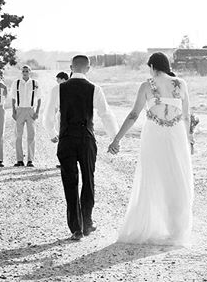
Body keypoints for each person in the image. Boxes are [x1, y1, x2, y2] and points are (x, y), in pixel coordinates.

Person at [108, 52, 194, 246]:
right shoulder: (181, 84)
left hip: (154, 135)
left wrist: (117, 139)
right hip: (177, 135)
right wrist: (189, 140)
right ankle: (176, 229)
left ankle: (149, 225)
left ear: (153, 67)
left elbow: (133, 115)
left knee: (152, 177)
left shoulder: (147, 85)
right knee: (177, 177)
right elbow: (186, 116)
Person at [44, 55, 119, 241]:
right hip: (86, 138)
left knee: (70, 182)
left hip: (67, 139)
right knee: (88, 179)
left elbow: (47, 116)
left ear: (71, 67)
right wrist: (115, 139)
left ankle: (76, 228)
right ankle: (87, 222)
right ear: (88, 68)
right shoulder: (95, 89)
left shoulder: (58, 88)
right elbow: (106, 115)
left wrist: (52, 133)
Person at [11, 65, 42, 167]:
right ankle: (19, 160)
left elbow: (39, 98)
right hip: (19, 110)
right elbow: (13, 98)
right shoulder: (16, 83)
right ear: (21, 72)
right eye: (23, 71)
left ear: (30, 72)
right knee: (18, 136)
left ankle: (30, 160)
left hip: (30, 110)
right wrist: (13, 111)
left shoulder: (35, 83)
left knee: (31, 135)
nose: (25, 73)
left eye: (27, 71)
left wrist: (37, 112)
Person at [53, 72, 69, 168]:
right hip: (61, 114)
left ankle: (65, 161)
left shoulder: (64, 89)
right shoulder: (59, 89)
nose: (57, 81)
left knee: (64, 138)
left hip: (65, 115)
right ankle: (63, 161)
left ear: (62, 79)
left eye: (58, 79)